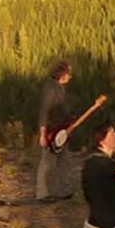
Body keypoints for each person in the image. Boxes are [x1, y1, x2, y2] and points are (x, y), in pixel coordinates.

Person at [36, 61, 75, 202]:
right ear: (62, 75)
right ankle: (42, 194)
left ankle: (64, 190)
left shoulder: (59, 88)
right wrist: (43, 134)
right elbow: (44, 112)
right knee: (47, 163)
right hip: (52, 131)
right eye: (68, 74)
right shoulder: (51, 89)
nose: (70, 77)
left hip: (62, 131)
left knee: (64, 161)